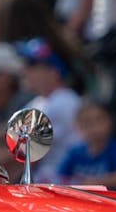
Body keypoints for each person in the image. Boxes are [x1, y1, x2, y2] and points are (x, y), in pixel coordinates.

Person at [16, 38, 81, 182]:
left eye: (32, 65)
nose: (24, 70)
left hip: (65, 189)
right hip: (47, 186)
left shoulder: (64, 101)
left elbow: (26, 154)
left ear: (54, 71)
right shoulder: (40, 101)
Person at [57, 101, 116, 189]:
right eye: (87, 122)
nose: (94, 127)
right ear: (77, 126)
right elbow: (59, 177)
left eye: (99, 120)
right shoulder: (74, 152)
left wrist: (97, 182)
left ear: (110, 122)